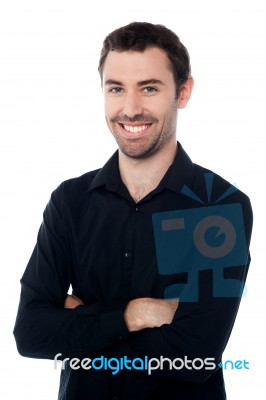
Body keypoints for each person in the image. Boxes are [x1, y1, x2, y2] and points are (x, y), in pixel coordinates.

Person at [13, 22, 253, 400]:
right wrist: (134, 314)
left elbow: (193, 356)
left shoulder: (214, 206)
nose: (130, 108)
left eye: (149, 88)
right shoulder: (71, 201)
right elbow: (31, 332)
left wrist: (83, 323)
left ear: (183, 92)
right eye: (116, 89)